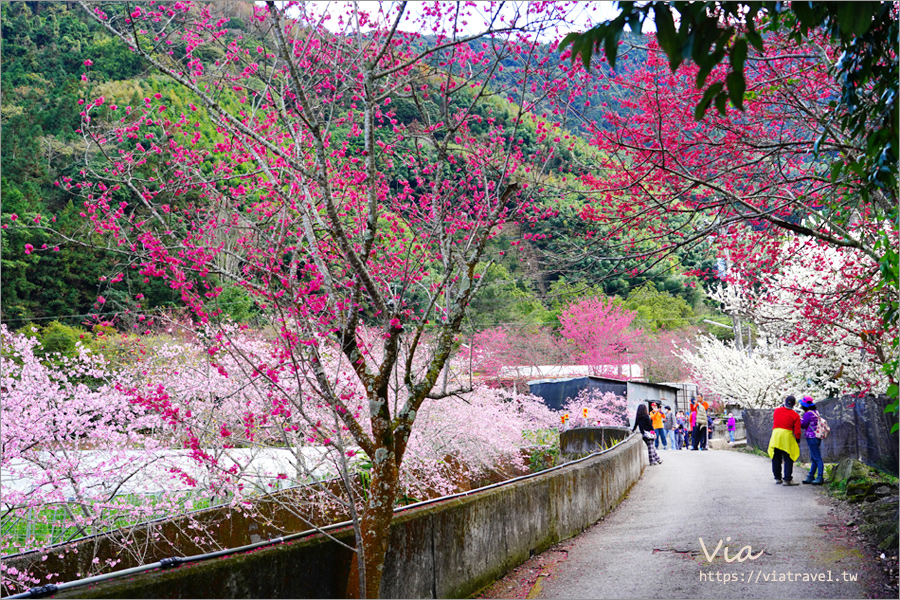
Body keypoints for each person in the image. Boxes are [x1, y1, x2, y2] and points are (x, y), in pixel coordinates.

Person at [768, 395, 802, 485]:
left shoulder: (776, 411)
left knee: (776, 457)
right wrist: (797, 441)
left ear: (784, 401)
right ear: (794, 404)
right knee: (788, 457)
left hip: (776, 435)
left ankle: (777, 478)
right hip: (787, 436)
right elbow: (797, 430)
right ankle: (787, 479)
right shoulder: (795, 415)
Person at [799, 397, 825, 485]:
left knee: (817, 458)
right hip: (817, 437)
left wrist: (799, 419)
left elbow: (803, 425)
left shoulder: (808, 414)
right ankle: (810, 476)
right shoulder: (816, 412)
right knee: (814, 457)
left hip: (811, 437)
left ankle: (820, 477)